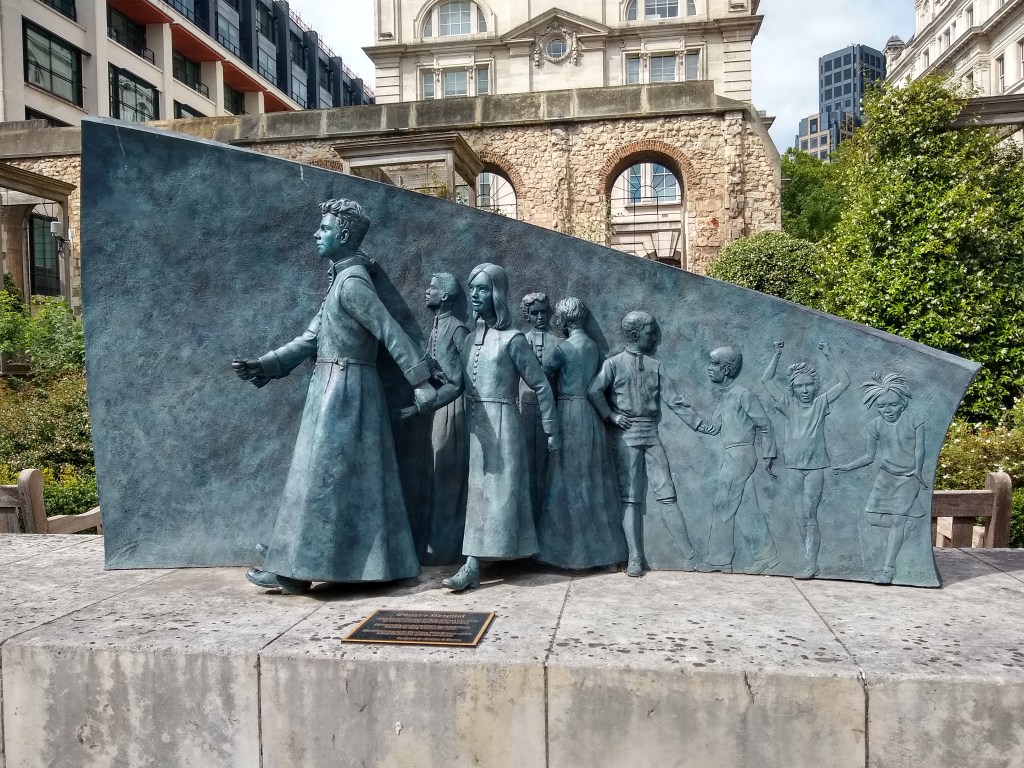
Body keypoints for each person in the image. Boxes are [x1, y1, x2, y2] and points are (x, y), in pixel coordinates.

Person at [233, 198, 437, 594]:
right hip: (333, 388)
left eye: (324, 228)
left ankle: (293, 570)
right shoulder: (340, 280)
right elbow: (311, 337)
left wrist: (420, 381)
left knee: (322, 479)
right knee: (320, 477)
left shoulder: (353, 283)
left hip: (346, 393)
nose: (316, 233)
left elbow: (388, 330)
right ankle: (291, 554)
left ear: (343, 235)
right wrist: (268, 364)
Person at [441, 263, 559, 592]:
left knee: (499, 495)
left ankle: (474, 564)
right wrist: (423, 401)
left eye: (482, 289)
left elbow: (540, 384)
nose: (474, 294)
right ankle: (479, 561)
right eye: (472, 288)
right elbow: (457, 384)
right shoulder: (469, 340)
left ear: (496, 293)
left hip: (505, 426)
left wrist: (551, 427)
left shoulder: (513, 339)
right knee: (479, 496)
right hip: (477, 429)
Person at [588, 311, 717, 577]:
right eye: (650, 333)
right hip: (626, 436)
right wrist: (611, 416)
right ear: (635, 335)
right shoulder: (613, 364)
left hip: (651, 433)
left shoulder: (656, 366)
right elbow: (594, 390)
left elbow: (674, 400)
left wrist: (699, 424)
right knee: (630, 498)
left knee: (667, 493)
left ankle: (690, 555)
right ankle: (635, 557)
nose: (655, 338)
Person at [535, 298, 627, 570]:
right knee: (593, 482)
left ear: (565, 319)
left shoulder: (563, 348)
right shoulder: (594, 347)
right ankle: (604, 554)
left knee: (566, 482)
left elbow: (541, 376)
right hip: (591, 416)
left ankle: (566, 554)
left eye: (558, 317)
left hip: (569, 413)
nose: (555, 321)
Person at [761, 340, 850, 578]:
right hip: (793, 466)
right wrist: (777, 354)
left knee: (810, 514)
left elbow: (844, 382)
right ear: (792, 388)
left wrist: (829, 355)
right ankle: (808, 558)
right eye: (799, 386)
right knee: (800, 515)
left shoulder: (821, 403)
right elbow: (766, 381)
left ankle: (811, 563)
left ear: (815, 386)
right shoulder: (787, 404)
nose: (805, 390)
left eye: (809, 385)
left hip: (815, 467)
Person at [399, 273, 470, 565]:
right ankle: (435, 544)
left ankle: (446, 547)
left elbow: (461, 379)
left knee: (447, 475)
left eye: (432, 288)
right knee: (435, 474)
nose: (426, 291)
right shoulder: (438, 324)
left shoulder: (457, 328)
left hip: (452, 408)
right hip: (438, 406)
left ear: (446, 295)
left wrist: (422, 407)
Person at [833, 373, 926, 585]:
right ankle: (907, 522)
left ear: (902, 404)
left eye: (893, 405)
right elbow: (869, 456)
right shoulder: (874, 425)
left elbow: (920, 449)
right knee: (873, 518)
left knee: (897, 520)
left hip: (908, 477)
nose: (888, 410)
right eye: (882, 406)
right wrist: (847, 467)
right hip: (886, 477)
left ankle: (888, 569)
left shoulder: (915, 421)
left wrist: (918, 470)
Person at [702, 346, 780, 574]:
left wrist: (768, 454)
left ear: (726, 369)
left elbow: (765, 424)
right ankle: (767, 556)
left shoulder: (743, 395)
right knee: (747, 508)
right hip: (733, 453)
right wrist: (684, 410)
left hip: (740, 454)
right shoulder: (725, 396)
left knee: (723, 504)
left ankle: (719, 560)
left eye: (714, 364)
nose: (709, 368)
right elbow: (713, 427)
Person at [519, 292, 558, 523]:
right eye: (534, 313)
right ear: (527, 316)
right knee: (525, 466)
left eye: (544, 312)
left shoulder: (558, 343)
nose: (540, 317)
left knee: (546, 468)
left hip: (550, 412)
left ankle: (546, 520)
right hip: (524, 411)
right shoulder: (519, 341)